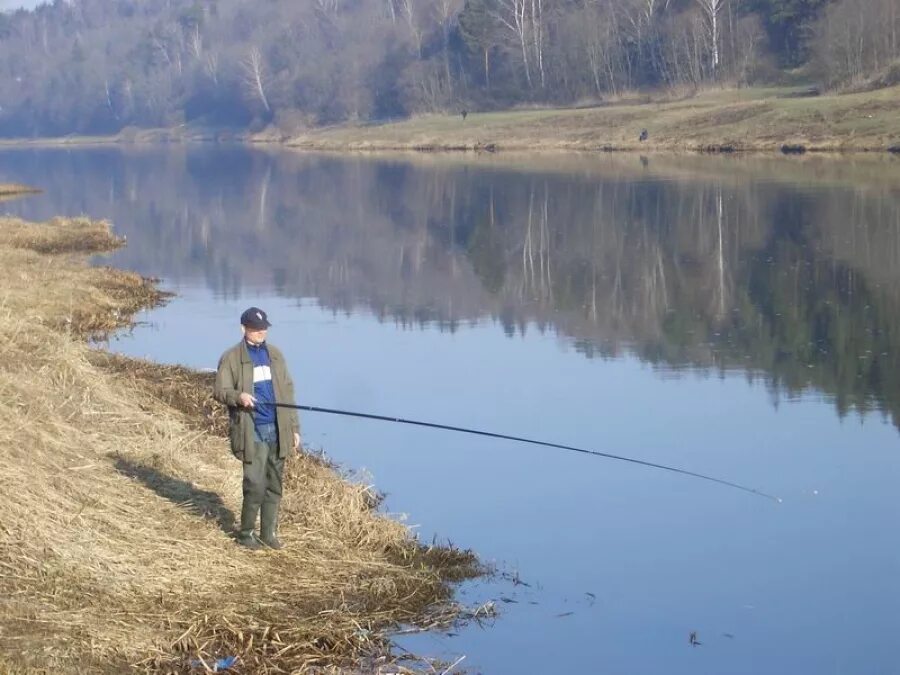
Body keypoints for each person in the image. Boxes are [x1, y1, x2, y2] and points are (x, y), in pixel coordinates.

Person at [214, 307, 300, 550]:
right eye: (256, 329)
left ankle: (268, 534)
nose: (261, 333)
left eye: (264, 329)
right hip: (251, 430)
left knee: (274, 484)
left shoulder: (276, 355)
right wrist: (238, 396)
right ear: (244, 329)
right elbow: (220, 391)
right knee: (254, 484)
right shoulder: (231, 357)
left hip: (278, 428)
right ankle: (245, 534)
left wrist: (294, 427)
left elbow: (288, 391)